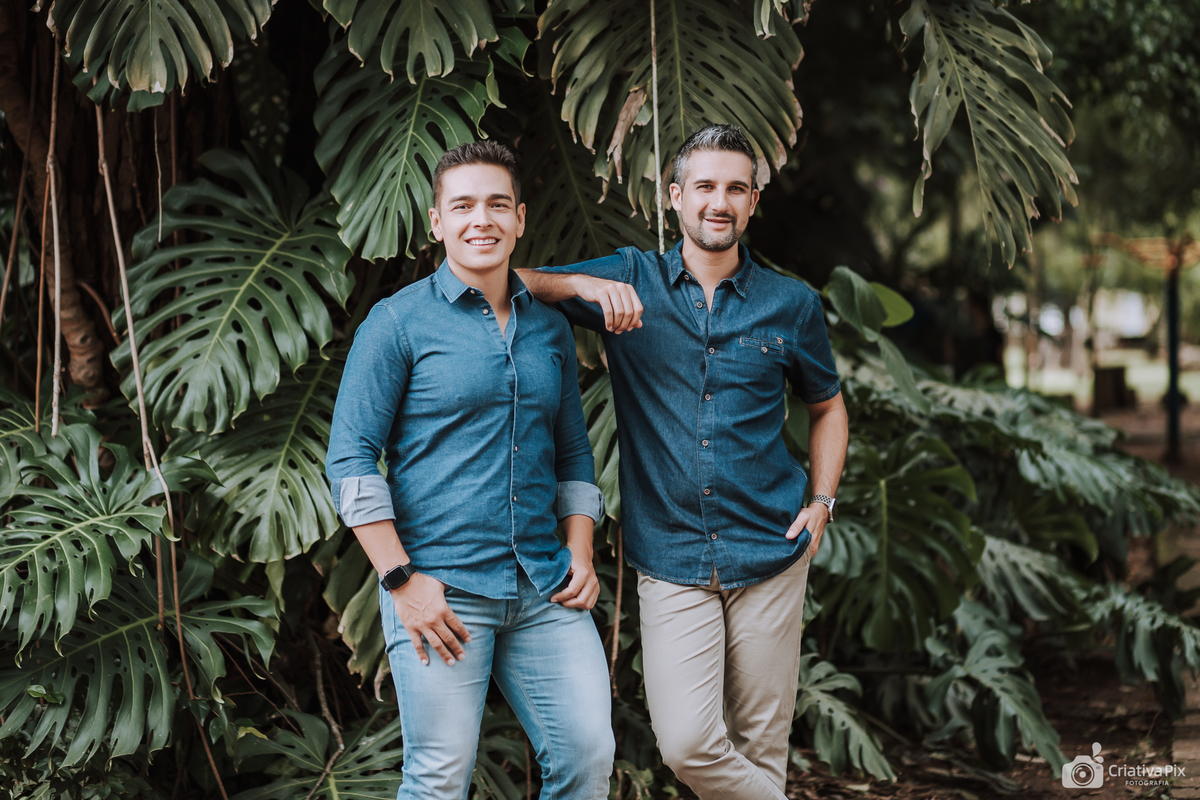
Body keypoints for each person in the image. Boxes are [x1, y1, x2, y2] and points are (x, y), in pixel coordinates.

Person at [517, 124, 849, 800]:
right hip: (670, 554)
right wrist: (580, 283)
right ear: (675, 197)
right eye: (704, 187)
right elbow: (509, 282)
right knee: (688, 744)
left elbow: (828, 406)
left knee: (760, 746)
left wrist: (821, 502)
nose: (718, 202)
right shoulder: (630, 279)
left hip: (772, 545)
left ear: (753, 201)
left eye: (735, 189)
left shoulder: (791, 304)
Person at [326, 141, 615, 800]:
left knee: (588, 754)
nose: (480, 220)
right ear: (437, 222)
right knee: (439, 778)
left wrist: (580, 549)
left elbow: (573, 454)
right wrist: (401, 581)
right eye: (462, 206)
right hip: (439, 591)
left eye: (496, 205)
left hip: (544, 587)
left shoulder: (549, 329)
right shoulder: (396, 324)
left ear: (519, 218)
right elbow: (349, 459)